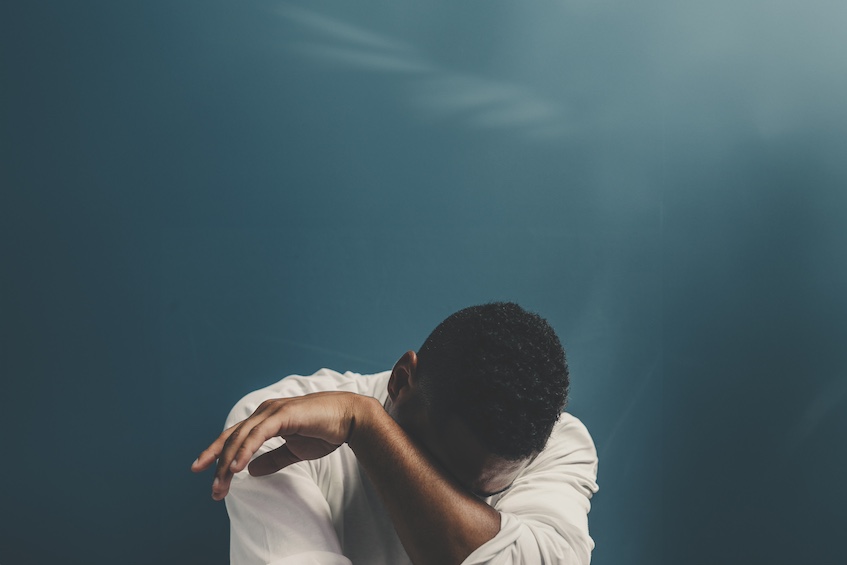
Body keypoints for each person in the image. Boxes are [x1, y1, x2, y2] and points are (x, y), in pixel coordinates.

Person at [192, 302, 599, 565]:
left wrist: (366, 425)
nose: (440, 495)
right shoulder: (275, 425)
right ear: (401, 381)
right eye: (431, 464)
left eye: (480, 496)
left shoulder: (556, 444)